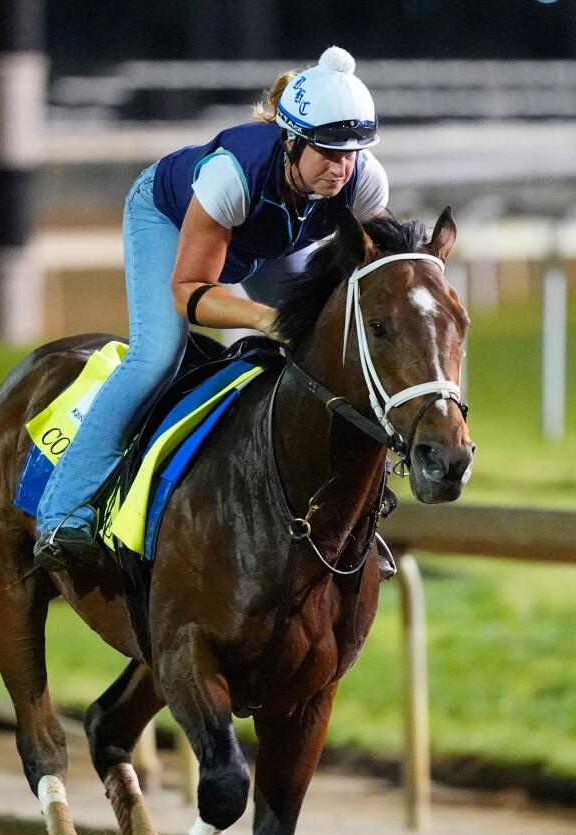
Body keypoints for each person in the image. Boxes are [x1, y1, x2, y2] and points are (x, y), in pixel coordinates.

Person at [33, 45, 390, 571]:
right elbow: (190, 291)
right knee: (158, 356)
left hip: (266, 245)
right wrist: (264, 319)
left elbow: (372, 279)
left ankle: (349, 513)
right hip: (168, 220)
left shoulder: (364, 182)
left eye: (353, 152)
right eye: (328, 152)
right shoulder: (232, 173)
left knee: (327, 345)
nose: (342, 168)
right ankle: (61, 511)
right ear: (291, 141)